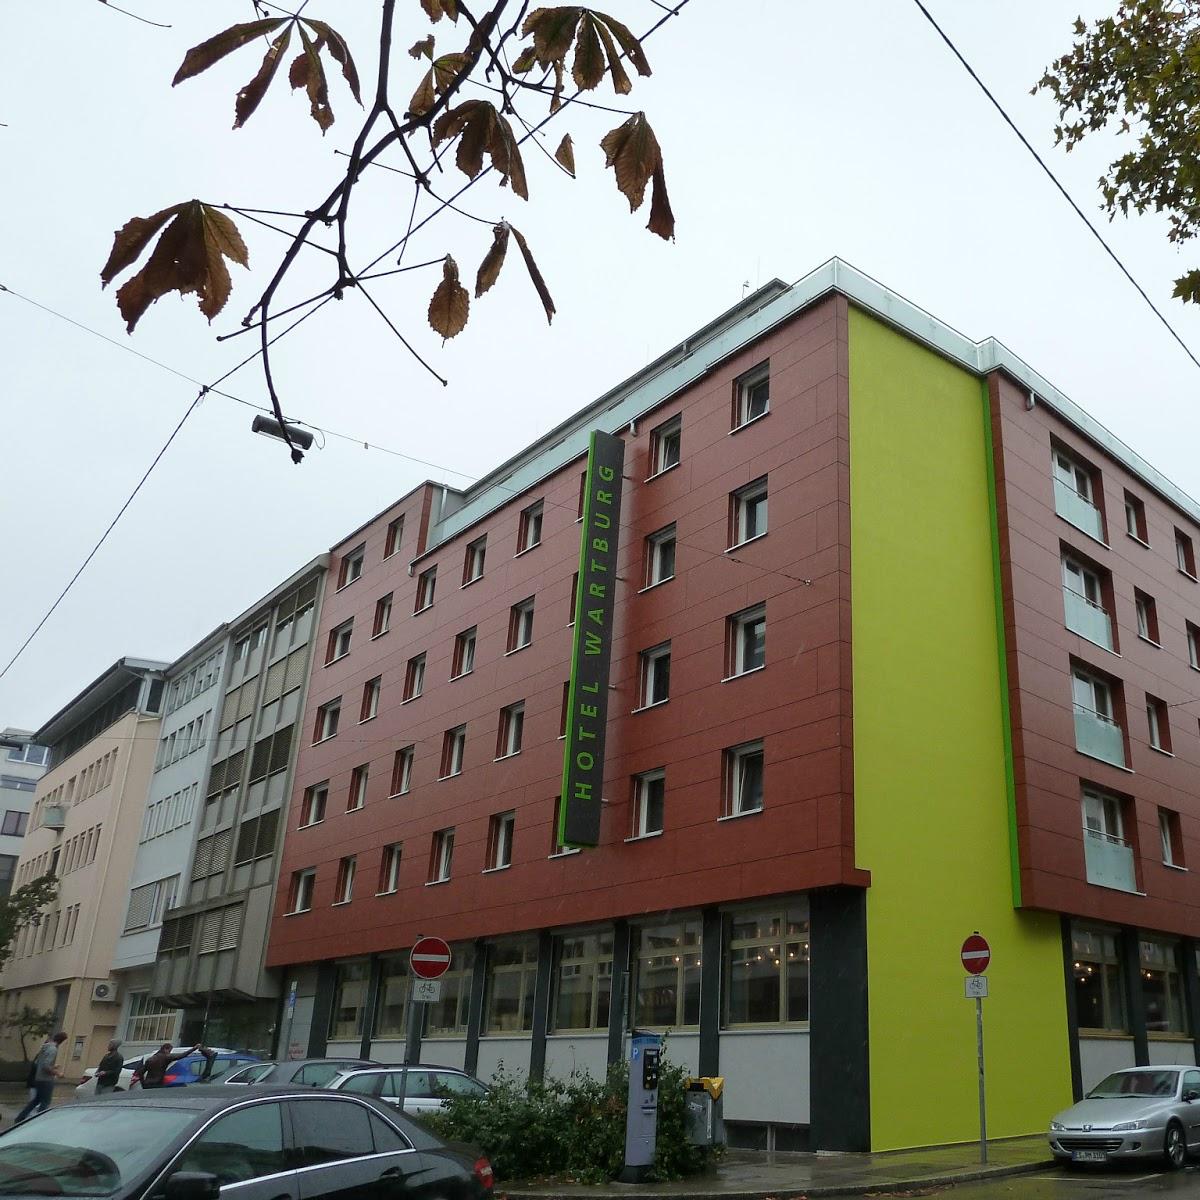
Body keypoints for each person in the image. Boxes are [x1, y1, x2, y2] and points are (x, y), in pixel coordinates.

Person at [15, 1032, 67, 1122]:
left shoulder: (45, 1047)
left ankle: (20, 1118)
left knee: (36, 1100)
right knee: (45, 1101)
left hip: (38, 1078)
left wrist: (52, 1066)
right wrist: (57, 1073)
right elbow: (46, 1066)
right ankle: (39, 1120)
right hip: (46, 1080)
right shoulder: (53, 1049)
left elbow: (39, 1063)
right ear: (62, 1041)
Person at [136, 1042, 202, 1089]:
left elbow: (140, 1073)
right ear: (165, 1049)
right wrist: (194, 1048)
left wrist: (143, 1084)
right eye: (169, 1051)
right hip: (158, 1083)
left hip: (147, 1083)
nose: (170, 1052)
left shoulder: (150, 1059)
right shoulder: (166, 1057)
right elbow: (182, 1055)